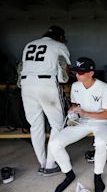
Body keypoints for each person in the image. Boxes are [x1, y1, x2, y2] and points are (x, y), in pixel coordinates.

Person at [49, 57, 107, 192]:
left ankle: (97, 176)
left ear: (91, 73)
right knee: (54, 144)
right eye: (76, 72)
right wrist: (73, 110)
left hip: (101, 122)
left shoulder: (103, 87)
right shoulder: (75, 86)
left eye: (81, 73)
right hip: (81, 121)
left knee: (101, 143)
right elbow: (75, 104)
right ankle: (68, 174)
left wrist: (85, 113)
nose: (77, 75)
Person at [20, 25, 71, 176]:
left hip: (26, 85)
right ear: (60, 37)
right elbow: (65, 70)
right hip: (46, 84)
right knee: (57, 124)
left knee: (35, 125)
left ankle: (42, 162)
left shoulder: (29, 44)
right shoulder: (58, 45)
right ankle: (50, 164)